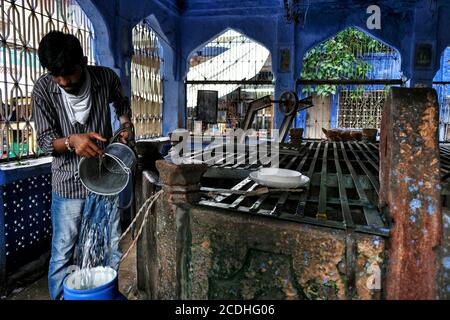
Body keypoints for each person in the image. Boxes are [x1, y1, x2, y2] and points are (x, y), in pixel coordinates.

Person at [32, 31, 132, 300]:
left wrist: (125, 125)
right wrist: (71, 141)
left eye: (69, 74)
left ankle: (104, 295)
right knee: (63, 252)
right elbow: (44, 141)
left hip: (105, 179)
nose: (64, 81)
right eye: (57, 76)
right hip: (67, 184)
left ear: (83, 62)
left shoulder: (105, 78)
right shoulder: (44, 89)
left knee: (110, 248)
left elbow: (121, 103)